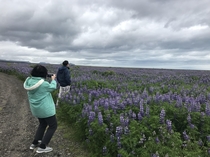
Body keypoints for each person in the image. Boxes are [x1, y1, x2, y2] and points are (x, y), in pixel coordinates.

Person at [23, 64, 57, 154]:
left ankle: (35, 142)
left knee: (42, 124)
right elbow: (53, 87)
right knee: (53, 126)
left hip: (36, 109)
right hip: (46, 110)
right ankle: (43, 146)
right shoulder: (44, 84)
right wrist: (53, 80)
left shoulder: (29, 81)